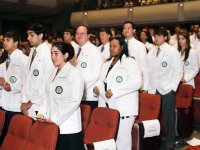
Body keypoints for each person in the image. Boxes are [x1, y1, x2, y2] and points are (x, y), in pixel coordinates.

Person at [93, 37, 142, 150]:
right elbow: (102, 80)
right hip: (107, 106)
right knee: (108, 138)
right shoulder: (106, 63)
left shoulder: (130, 62)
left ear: (122, 47)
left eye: (115, 46)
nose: (111, 48)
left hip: (124, 107)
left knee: (122, 140)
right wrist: (96, 88)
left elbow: (137, 82)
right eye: (110, 46)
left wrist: (115, 91)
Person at [38, 42, 84, 150]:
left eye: (56, 53)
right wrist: (41, 113)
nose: (53, 57)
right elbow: (47, 96)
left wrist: (55, 118)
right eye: (51, 53)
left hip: (68, 127)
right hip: (52, 124)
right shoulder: (52, 72)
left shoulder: (74, 73)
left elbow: (74, 101)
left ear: (66, 55)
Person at [147, 27, 183, 150]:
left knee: (169, 118)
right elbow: (147, 72)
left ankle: (170, 142)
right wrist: (146, 88)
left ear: (165, 37)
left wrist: (172, 88)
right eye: (155, 36)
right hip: (153, 90)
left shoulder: (173, 51)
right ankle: (154, 141)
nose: (156, 38)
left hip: (167, 89)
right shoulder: (151, 52)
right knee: (153, 119)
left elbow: (178, 72)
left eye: (159, 36)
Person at [21, 23, 54, 118]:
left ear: (40, 35)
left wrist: (29, 103)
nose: (28, 38)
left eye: (31, 35)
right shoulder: (32, 51)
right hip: (27, 103)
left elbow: (45, 83)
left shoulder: (48, 52)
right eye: (28, 35)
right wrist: (24, 101)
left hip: (39, 104)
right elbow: (26, 78)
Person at [0, 31, 28, 143]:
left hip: (16, 105)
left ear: (16, 43)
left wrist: (12, 87)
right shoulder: (7, 59)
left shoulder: (23, 59)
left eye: (8, 40)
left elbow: (26, 81)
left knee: (13, 138)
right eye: (4, 40)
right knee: (4, 136)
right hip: (5, 103)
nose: (5, 43)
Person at [75, 25, 102, 110]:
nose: (79, 36)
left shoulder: (94, 50)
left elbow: (96, 73)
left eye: (82, 33)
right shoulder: (75, 49)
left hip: (89, 95)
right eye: (77, 33)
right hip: (77, 94)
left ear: (88, 36)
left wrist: (80, 86)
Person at [122, 21, 148, 92]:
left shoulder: (140, 45)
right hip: (121, 81)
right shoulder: (119, 44)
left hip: (135, 82)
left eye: (128, 28)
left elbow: (144, 67)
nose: (126, 30)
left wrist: (144, 87)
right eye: (124, 28)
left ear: (134, 30)